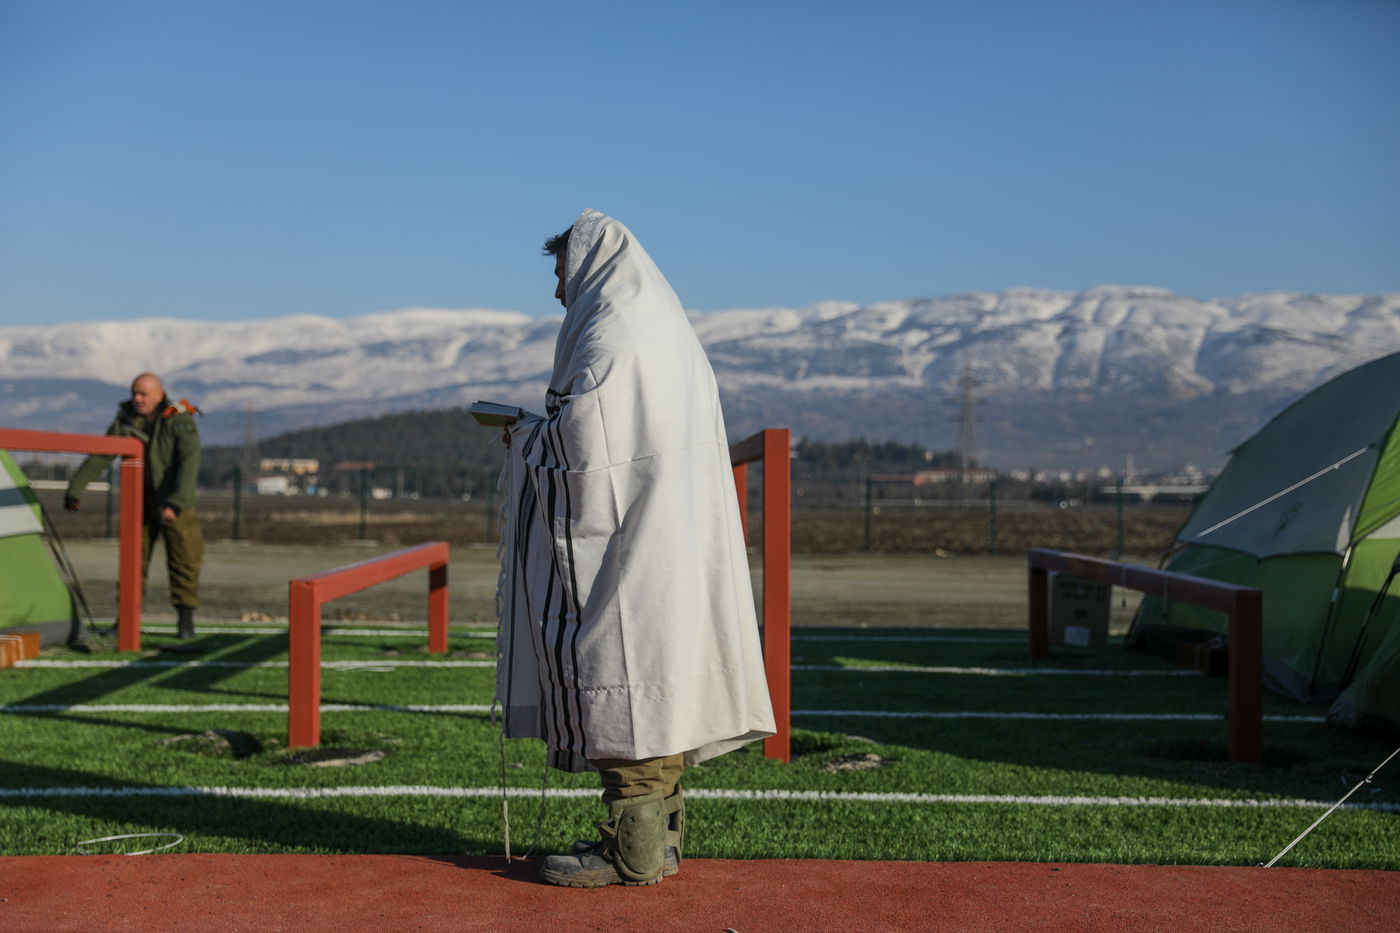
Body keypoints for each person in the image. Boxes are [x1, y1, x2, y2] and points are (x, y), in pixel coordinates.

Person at [495, 209, 775, 887]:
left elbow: (589, 440)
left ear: (586, 262)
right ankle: (659, 841)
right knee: (657, 672)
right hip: (663, 529)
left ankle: (633, 850)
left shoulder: (616, 331)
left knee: (622, 668)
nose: (558, 290)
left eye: (561, 272)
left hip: (632, 538)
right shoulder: (655, 323)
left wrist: (525, 436)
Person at [65, 372, 204, 640]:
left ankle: (185, 622)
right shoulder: (126, 418)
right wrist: (76, 489)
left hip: (177, 502)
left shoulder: (179, 419)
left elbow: (189, 463)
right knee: (132, 562)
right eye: (134, 393)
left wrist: (175, 503)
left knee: (184, 561)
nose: (137, 399)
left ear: (159, 395)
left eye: (143, 394)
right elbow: (103, 453)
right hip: (140, 501)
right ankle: (126, 620)